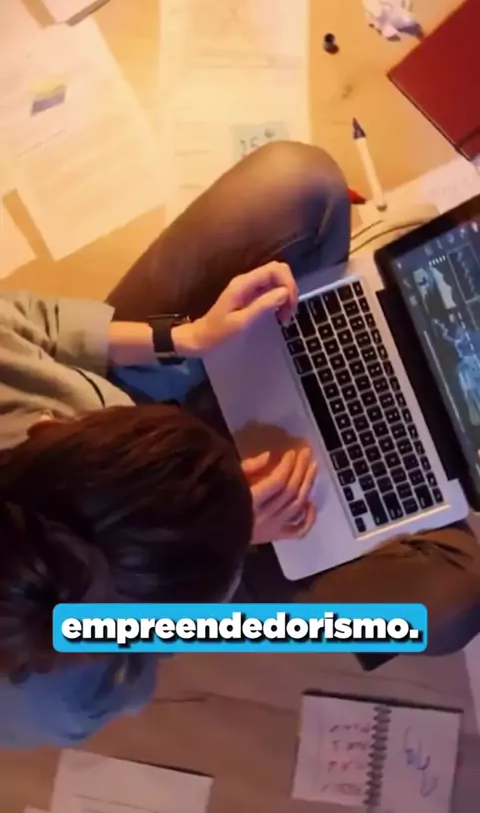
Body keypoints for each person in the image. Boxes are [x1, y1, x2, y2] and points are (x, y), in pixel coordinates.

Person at [0, 141, 479, 748]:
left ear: (50, 425)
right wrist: (236, 536)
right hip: (187, 579)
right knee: (445, 610)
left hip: (174, 521)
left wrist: (185, 339)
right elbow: (164, 642)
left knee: (299, 182)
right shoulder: (65, 696)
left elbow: (30, 323)